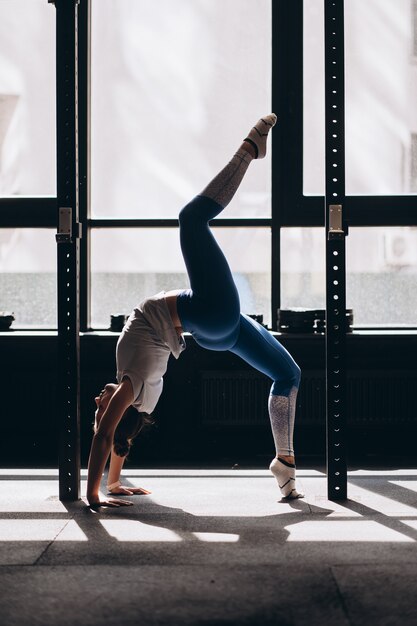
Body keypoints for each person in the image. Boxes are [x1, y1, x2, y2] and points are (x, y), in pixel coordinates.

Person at [87, 114, 303, 508]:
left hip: (214, 330)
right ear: (113, 410)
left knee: (288, 373)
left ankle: (285, 464)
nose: (96, 401)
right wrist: (93, 495)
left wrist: (114, 482)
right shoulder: (129, 387)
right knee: (191, 219)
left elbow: (118, 438)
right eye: (99, 409)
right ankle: (249, 151)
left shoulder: (134, 396)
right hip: (208, 313)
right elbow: (106, 435)